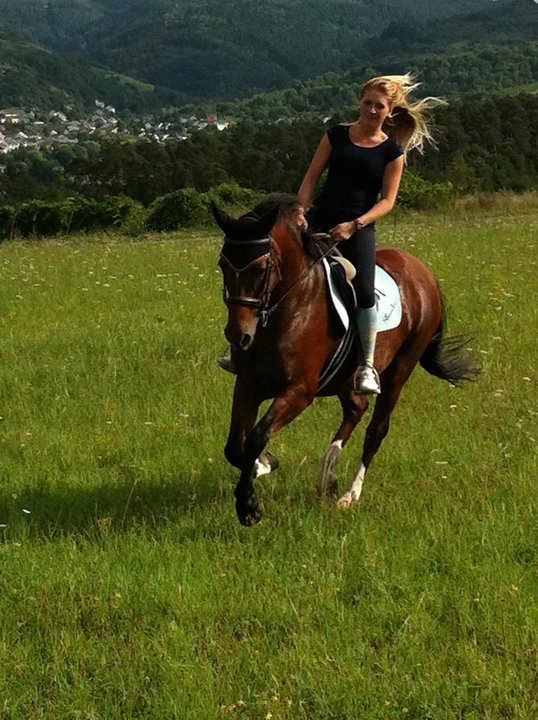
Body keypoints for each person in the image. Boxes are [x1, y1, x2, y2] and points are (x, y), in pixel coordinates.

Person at [298, 73, 444, 395]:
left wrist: (356, 225)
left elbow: (388, 201)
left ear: (390, 112)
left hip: (358, 227)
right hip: (319, 218)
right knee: (278, 267)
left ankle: (366, 366)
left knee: (364, 291)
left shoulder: (392, 152)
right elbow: (311, 178)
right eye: (367, 103)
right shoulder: (336, 136)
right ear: (359, 102)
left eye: (379, 106)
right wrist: (299, 211)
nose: (371, 110)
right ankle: (248, 349)